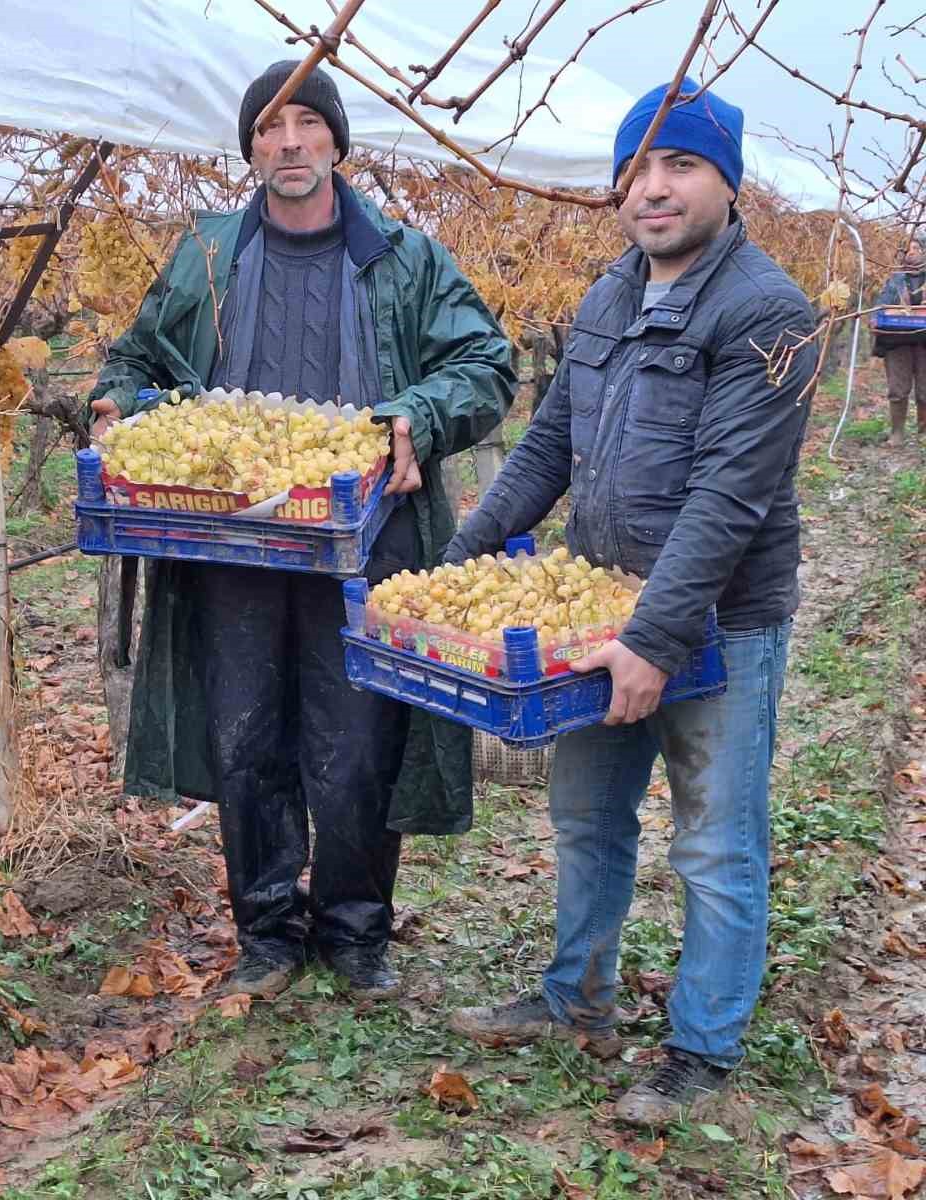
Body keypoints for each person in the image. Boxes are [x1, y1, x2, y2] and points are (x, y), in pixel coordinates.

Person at [87, 60, 514, 1000]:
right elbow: (135, 356)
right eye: (269, 129)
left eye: (305, 125)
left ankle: (357, 933)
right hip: (231, 543)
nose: (288, 144)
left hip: (366, 542)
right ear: (249, 149)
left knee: (358, 739)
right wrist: (119, 404)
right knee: (245, 735)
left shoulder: (404, 259)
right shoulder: (207, 258)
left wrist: (419, 416)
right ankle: (269, 931)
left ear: (335, 141)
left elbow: (487, 362)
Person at [443, 80, 817, 1124]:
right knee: (587, 818)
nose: (652, 188)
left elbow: (726, 495)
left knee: (714, 840)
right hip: (594, 615)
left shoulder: (771, 315)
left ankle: (700, 1051)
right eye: (637, 167)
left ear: (726, 184)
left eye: (680, 165)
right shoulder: (609, 295)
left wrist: (653, 636)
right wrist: (457, 557)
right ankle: (576, 997)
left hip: (715, 627)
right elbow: (549, 447)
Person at [875, 235, 926, 446]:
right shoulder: (894, 280)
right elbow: (881, 305)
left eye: (917, 248)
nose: (911, 252)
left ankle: (924, 433)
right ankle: (897, 433)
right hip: (897, 340)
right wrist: (876, 318)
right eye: (908, 249)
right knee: (897, 388)